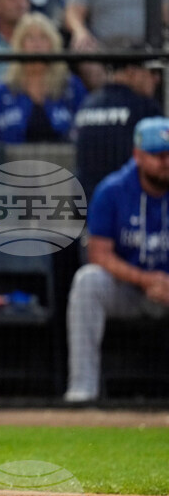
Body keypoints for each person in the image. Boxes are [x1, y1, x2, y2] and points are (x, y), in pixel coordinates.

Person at [65, 117, 169, 402]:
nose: (165, 162)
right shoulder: (112, 191)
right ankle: (82, 391)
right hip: (129, 289)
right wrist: (146, 280)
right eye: (158, 155)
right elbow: (98, 253)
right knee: (88, 282)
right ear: (137, 154)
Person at [0, 13, 87, 144]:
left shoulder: (71, 86)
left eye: (43, 38)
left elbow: (88, 130)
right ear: (20, 45)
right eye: (30, 38)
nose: (37, 44)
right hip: (13, 162)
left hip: (64, 161)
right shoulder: (4, 90)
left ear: (53, 44)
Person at [73, 53, 163, 199]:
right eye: (152, 72)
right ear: (131, 71)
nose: (156, 79)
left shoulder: (88, 103)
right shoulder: (144, 107)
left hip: (85, 204)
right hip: (129, 206)